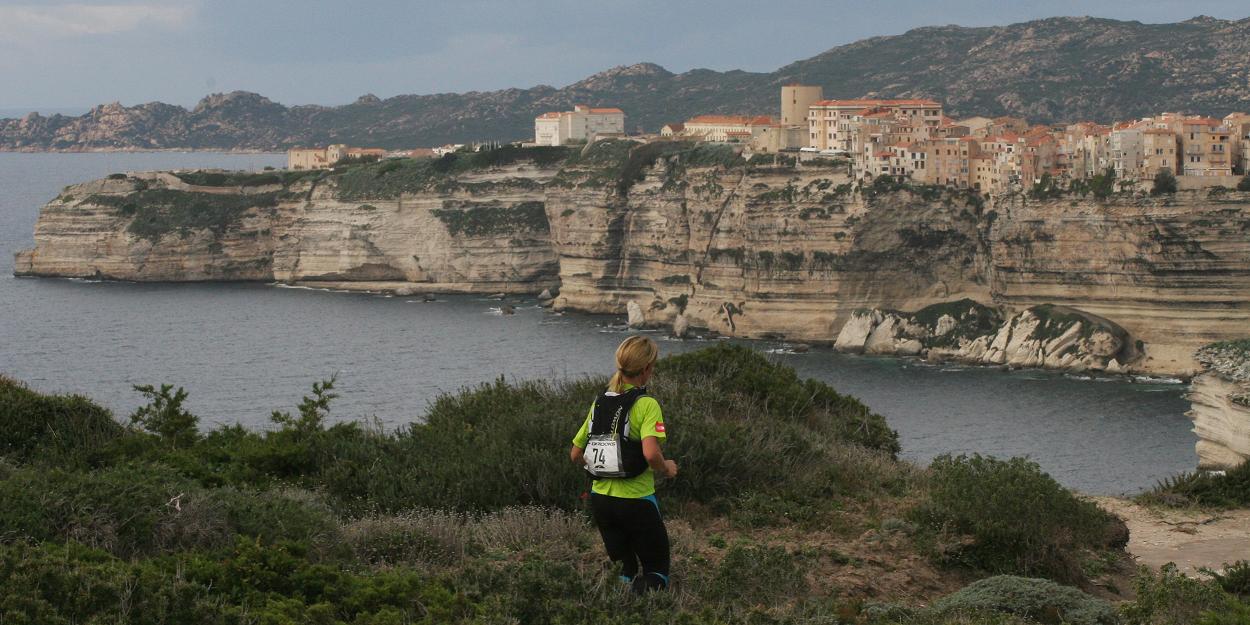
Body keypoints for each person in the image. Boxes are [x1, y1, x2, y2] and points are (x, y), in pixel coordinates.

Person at [570, 335, 678, 593]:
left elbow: (575, 454)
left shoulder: (599, 403)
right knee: (656, 571)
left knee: (624, 570)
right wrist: (667, 468)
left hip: (601, 502)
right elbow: (651, 454)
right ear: (647, 368)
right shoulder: (646, 404)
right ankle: (643, 608)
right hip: (637, 501)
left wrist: (602, 468)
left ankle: (613, 607)